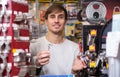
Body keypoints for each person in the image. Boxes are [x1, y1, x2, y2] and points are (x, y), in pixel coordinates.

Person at [30, 4, 85, 75]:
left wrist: (74, 71)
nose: (56, 21)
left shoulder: (75, 48)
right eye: (52, 17)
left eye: (60, 17)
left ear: (65, 21)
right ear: (46, 21)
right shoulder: (34, 46)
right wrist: (36, 64)